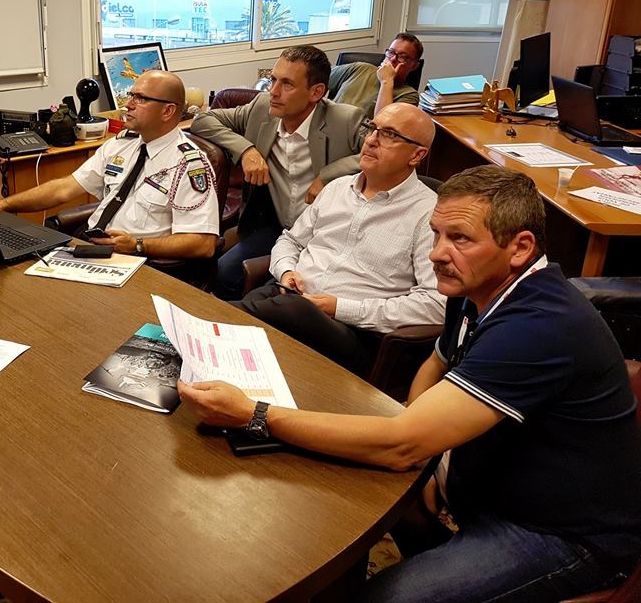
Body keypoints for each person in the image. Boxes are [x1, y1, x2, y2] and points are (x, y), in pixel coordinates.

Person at [178, 165, 641, 603]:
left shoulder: (540, 324)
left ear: (519, 248)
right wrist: (427, 448)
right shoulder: (478, 286)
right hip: (487, 490)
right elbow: (434, 366)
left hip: (560, 535)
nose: (437, 253)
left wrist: (254, 414)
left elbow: (400, 446)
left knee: (385, 598)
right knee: (333, 511)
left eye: (459, 238)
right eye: (436, 234)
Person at [233, 102, 444, 374]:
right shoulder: (337, 188)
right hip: (287, 296)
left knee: (276, 313)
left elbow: (435, 303)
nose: (371, 140)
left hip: (352, 331)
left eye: (389, 134)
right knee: (261, 316)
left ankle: (203, 317)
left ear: (417, 155)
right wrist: (286, 272)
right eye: (372, 128)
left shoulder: (429, 214)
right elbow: (290, 241)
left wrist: (341, 308)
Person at [0, 70, 219, 260]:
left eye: (141, 98)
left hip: (140, 259)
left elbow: (203, 244)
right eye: (131, 95)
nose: (128, 104)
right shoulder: (121, 144)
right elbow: (64, 188)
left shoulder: (190, 165)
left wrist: (137, 245)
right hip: (93, 245)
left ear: (168, 111)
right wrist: (4, 204)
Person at [190, 45, 366, 299]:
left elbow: (387, 152)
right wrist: (246, 150)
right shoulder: (262, 107)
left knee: (288, 294)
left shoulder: (345, 119)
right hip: (278, 227)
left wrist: (328, 175)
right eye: (273, 80)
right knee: (224, 272)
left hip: (328, 232)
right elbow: (202, 120)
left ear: (316, 92)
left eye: (287, 84)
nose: (273, 91)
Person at [327, 33, 422, 119]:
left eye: (402, 56)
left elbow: (383, 125)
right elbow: (319, 77)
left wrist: (386, 81)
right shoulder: (361, 69)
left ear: (414, 66)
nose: (392, 59)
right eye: (391, 52)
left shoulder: (409, 95)